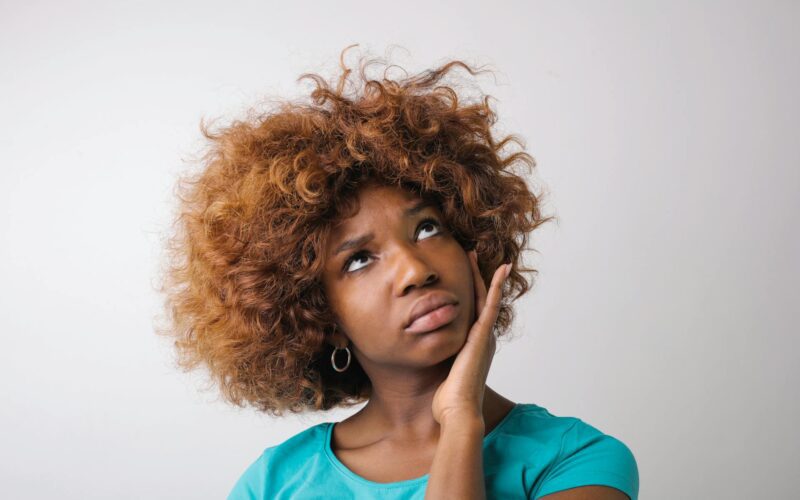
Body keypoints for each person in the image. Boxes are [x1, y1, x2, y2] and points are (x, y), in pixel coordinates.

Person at [159, 45, 639, 499]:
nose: (415, 269)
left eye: (428, 228)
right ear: (321, 317)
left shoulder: (574, 461)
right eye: (359, 259)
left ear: (473, 243)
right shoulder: (275, 483)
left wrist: (460, 419)